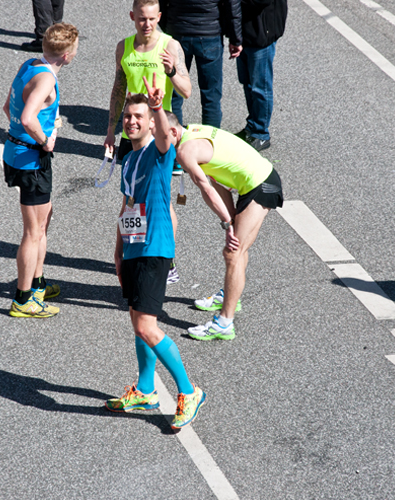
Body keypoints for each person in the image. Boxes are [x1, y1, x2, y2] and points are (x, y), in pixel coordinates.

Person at [106, 76, 205, 430]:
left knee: (147, 326)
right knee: (138, 324)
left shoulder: (158, 152)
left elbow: (165, 137)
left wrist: (159, 106)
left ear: (149, 121)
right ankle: (146, 389)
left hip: (155, 248)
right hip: (133, 250)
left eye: (138, 116)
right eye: (128, 117)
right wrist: (118, 252)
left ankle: (189, 391)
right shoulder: (130, 160)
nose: (132, 121)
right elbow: (126, 205)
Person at [153, 111, 283, 341]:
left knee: (233, 252)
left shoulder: (185, 151)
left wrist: (227, 223)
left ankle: (224, 323)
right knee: (236, 250)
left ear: (173, 132)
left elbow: (206, 187)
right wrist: (231, 218)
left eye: (160, 138)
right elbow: (216, 180)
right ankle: (230, 295)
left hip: (261, 184)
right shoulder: (192, 131)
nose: (158, 144)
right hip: (253, 183)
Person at [103, 0, 192, 283]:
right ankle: (134, 254)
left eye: (152, 19)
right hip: (132, 132)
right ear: (132, 16)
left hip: (158, 135)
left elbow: (187, 91)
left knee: (162, 202)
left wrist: (171, 71)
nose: (147, 24)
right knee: (130, 199)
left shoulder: (170, 45)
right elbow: (118, 89)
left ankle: (169, 262)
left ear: (160, 16)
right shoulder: (124, 47)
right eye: (142, 19)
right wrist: (110, 131)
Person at [2, 23, 79, 318]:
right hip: (31, 160)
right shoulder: (46, 79)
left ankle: (37, 284)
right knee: (33, 232)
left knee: (44, 221)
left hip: (18, 153)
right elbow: (26, 116)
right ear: (68, 56)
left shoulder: (30, 65)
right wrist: (46, 141)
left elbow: (8, 108)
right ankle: (23, 300)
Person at [159, 0, 242, 128]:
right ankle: (209, 142)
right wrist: (235, 38)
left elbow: (160, 4)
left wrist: (169, 26)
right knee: (211, 96)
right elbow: (232, 4)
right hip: (209, 32)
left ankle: (173, 141)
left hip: (178, 29)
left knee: (174, 94)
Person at [234, 0, 288, 152]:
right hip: (245, 32)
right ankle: (252, 127)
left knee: (260, 87)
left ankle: (261, 133)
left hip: (262, 33)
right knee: (248, 83)